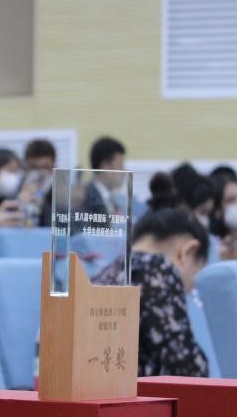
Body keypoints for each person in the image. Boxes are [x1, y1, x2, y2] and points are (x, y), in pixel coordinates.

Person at [97, 208, 210, 377]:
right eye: (189, 286)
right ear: (187, 252)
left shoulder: (106, 273)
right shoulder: (158, 271)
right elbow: (188, 369)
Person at [82, 136, 127, 217]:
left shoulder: (111, 198)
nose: (124, 172)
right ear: (105, 166)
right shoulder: (84, 198)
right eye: (120, 166)